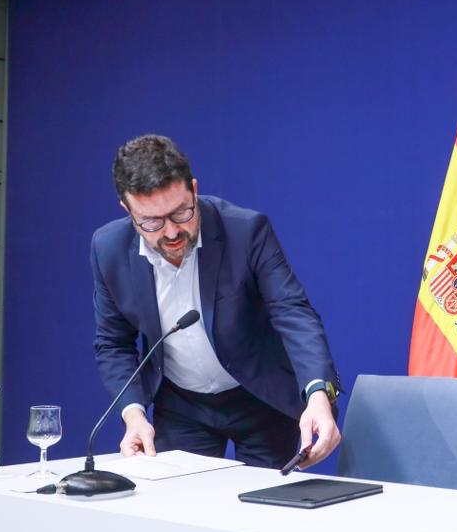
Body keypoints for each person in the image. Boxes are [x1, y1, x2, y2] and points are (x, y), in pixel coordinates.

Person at [91, 134, 342, 469]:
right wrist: (133, 414)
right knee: (181, 510)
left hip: (257, 397)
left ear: (193, 189)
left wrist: (318, 396)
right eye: (151, 222)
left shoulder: (246, 230)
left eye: (181, 212)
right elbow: (113, 343)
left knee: (262, 510)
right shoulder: (108, 249)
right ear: (127, 208)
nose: (170, 232)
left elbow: (292, 311)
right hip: (182, 405)